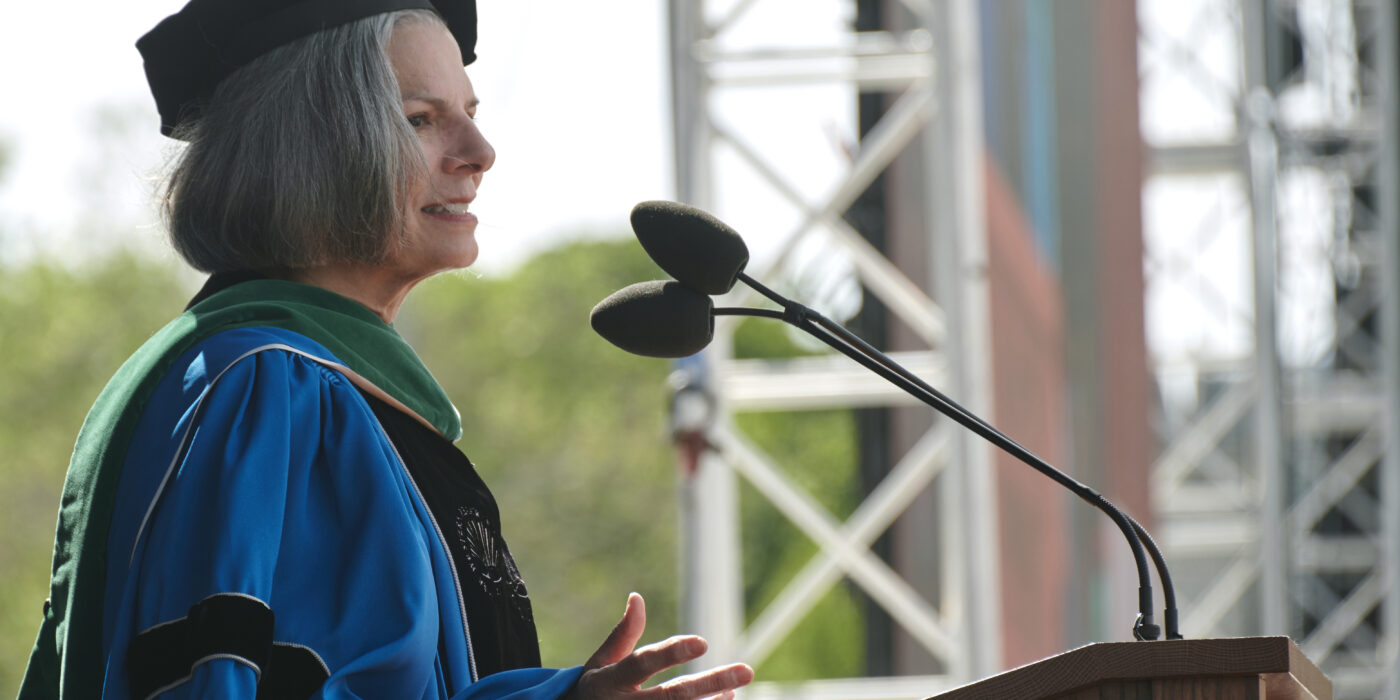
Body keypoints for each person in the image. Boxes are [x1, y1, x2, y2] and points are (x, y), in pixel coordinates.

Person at [18, 2, 755, 699]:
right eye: (421, 119)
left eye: (470, 113)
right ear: (309, 149)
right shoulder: (267, 389)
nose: (480, 153)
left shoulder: (313, 389)